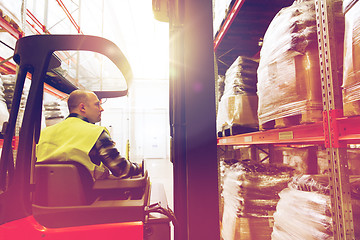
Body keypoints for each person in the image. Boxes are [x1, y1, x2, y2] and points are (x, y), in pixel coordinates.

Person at [36, 89, 142, 179]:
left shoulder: (43, 134)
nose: (101, 109)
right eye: (97, 104)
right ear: (82, 108)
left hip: (44, 200)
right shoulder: (97, 133)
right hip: (86, 200)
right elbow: (121, 169)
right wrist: (140, 166)